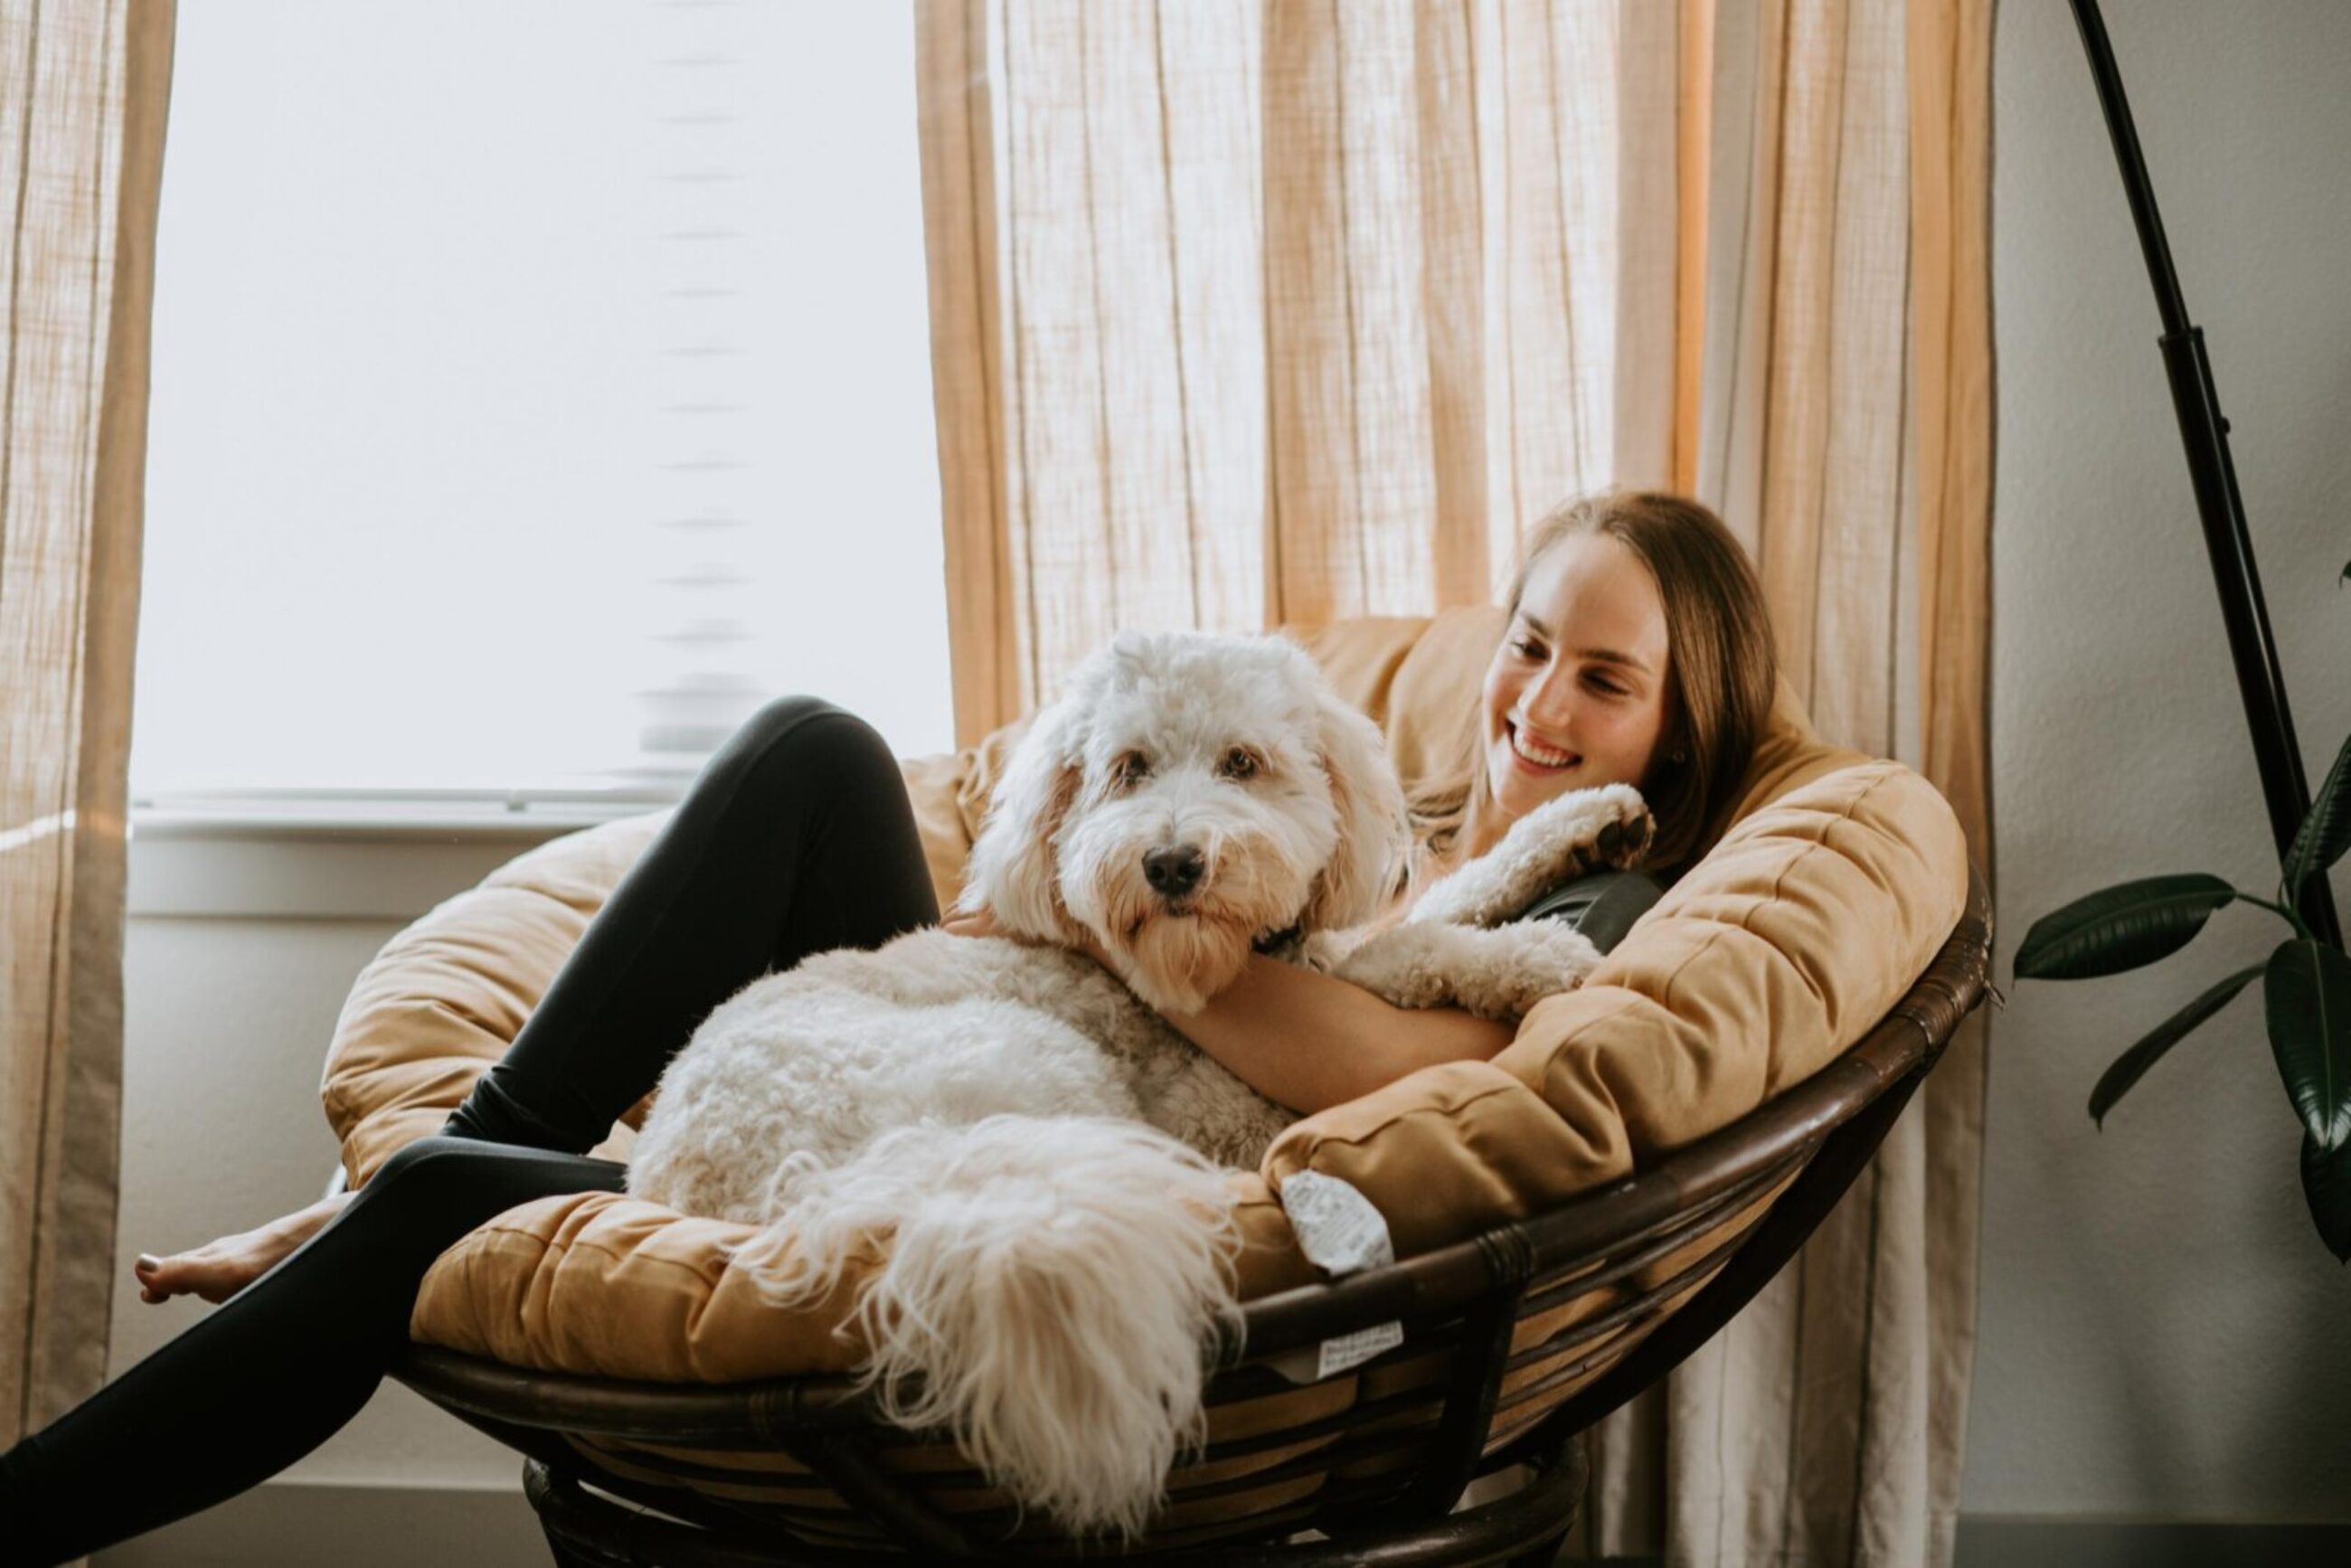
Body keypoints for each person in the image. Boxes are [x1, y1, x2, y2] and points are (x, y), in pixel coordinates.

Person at [0, 488, 1776, 1564]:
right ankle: (492, 1141)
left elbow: (1404, 1075)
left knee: (430, 1207)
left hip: (1098, 1126)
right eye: (1531, 645)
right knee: (812, 752)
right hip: (1001, 1043)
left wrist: (1147, 908)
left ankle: (415, 1193)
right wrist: (1053, 908)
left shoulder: (1596, 890)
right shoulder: (1393, 811)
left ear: (1677, 736)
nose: (1537, 703)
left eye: (1601, 680)